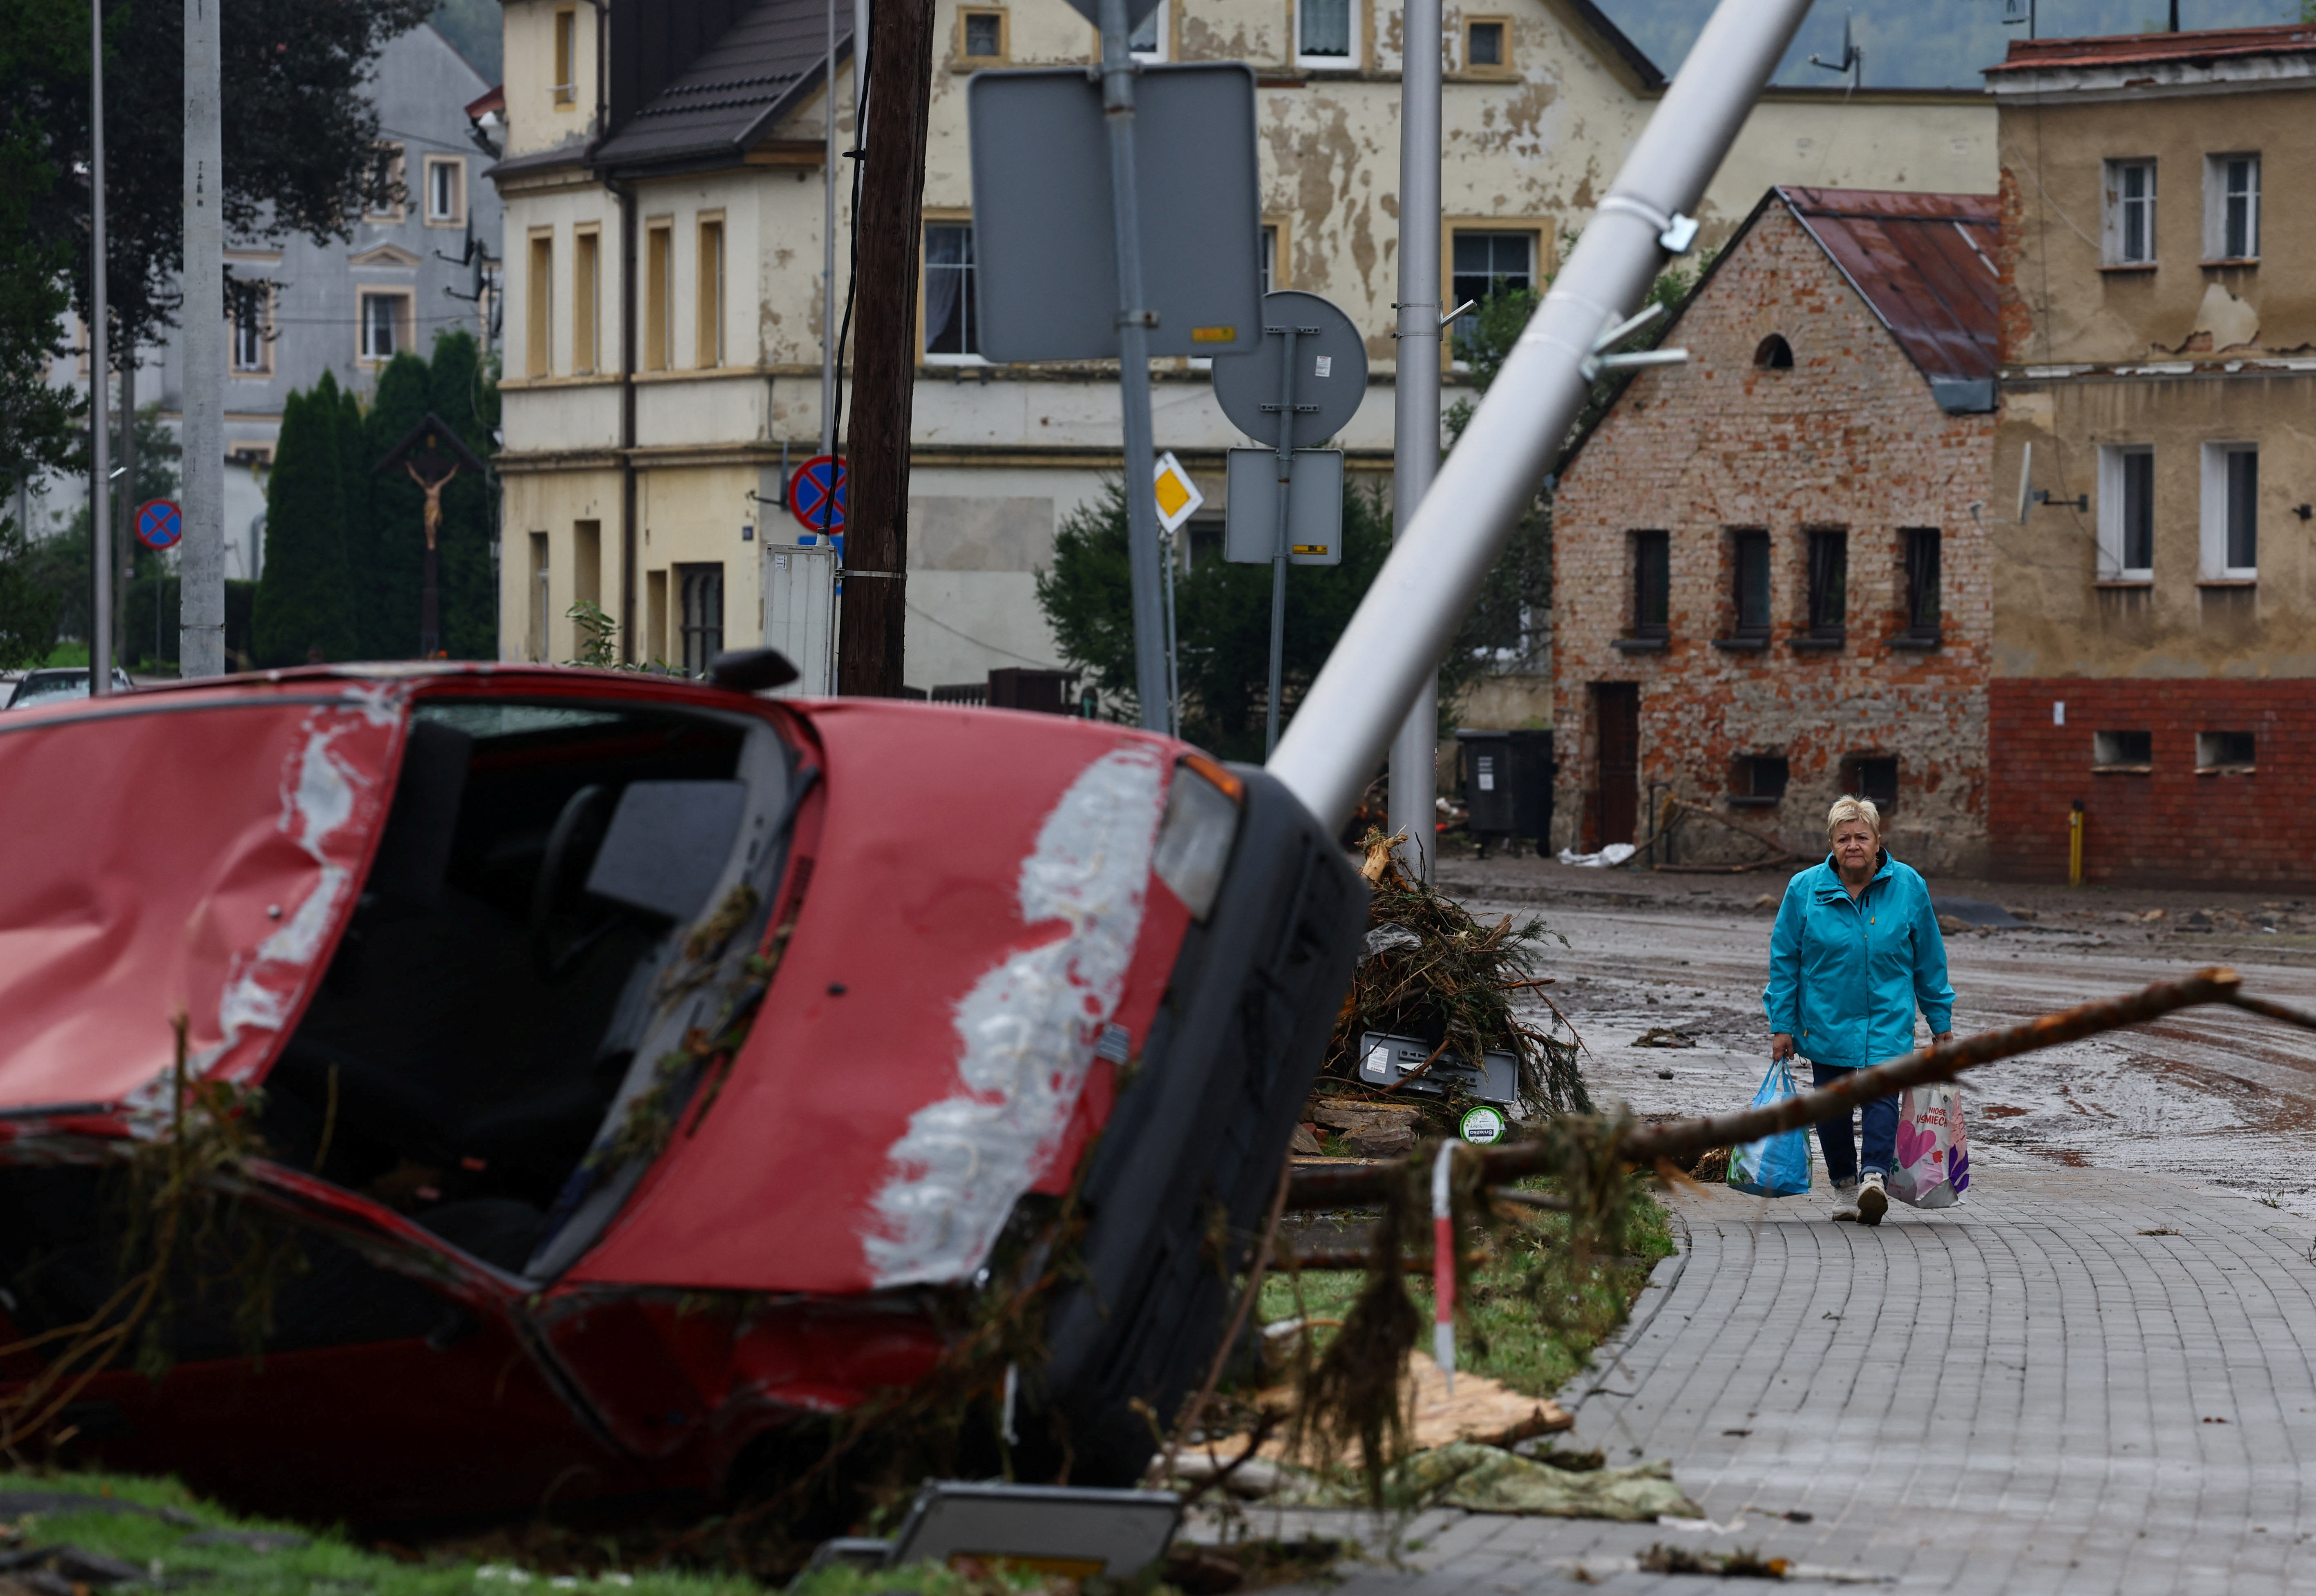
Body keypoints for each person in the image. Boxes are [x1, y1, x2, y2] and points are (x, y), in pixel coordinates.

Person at [1762, 796, 1955, 1225]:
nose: (1853, 845)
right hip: (1826, 1019)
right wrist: (1782, 1025)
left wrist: (1940, 1023)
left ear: (1877, 840)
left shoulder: (1908, 886)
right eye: (1843, 837)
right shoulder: (1804, 889)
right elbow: (1785, 960)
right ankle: (1845, 1186)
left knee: (1882, 1097)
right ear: (1830, 843)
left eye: (1861, 837)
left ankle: (1873, 1178)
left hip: (1888, 1019)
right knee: (1831, 1107)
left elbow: (1928, 959)